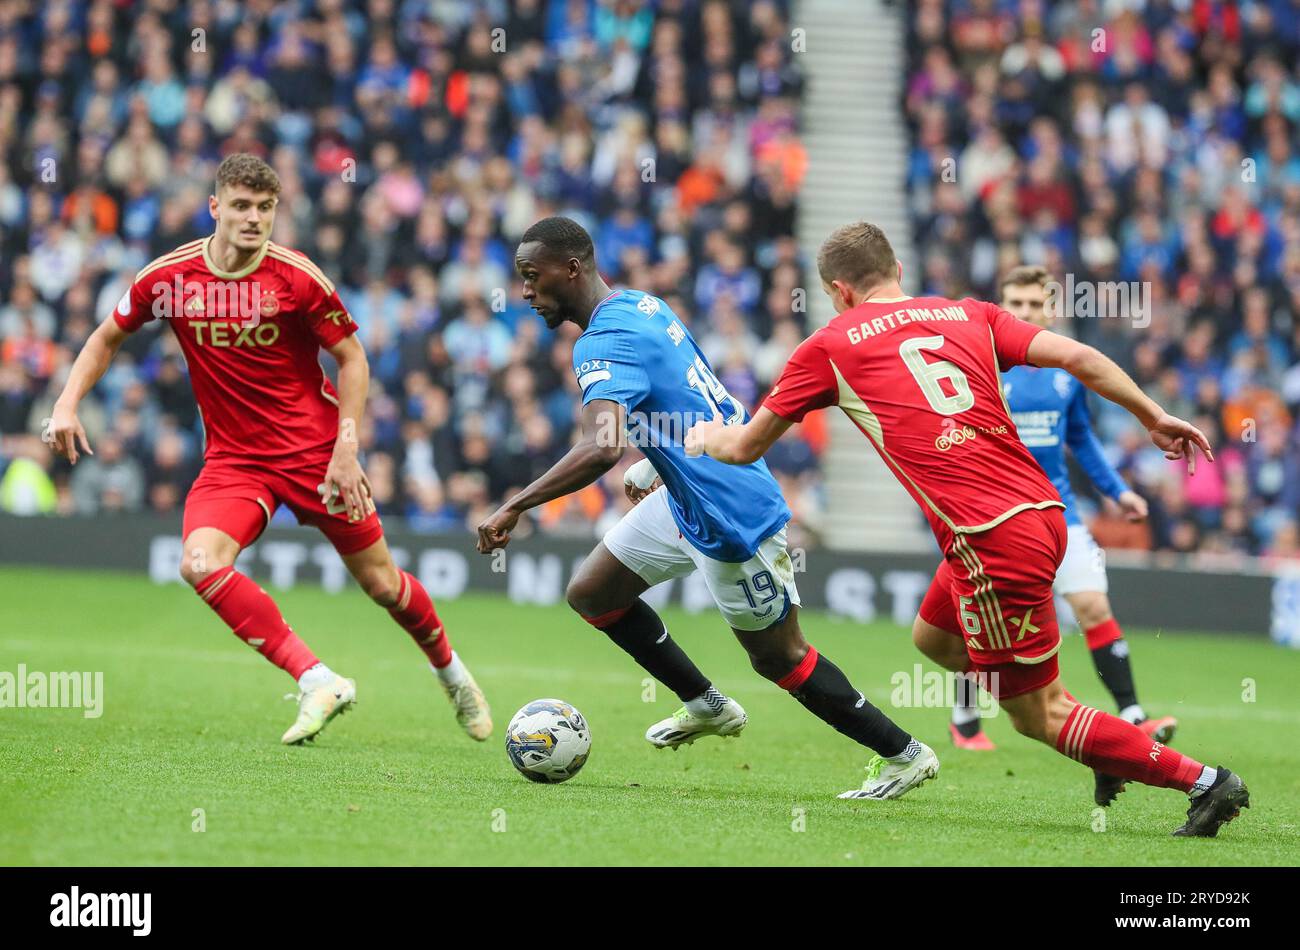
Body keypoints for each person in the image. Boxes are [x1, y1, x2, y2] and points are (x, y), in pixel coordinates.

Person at [686, 221, 1249, 836]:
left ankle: (1205, 782)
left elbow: (743, 447)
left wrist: (703, 436)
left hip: (990, 541)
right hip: (1039, 512)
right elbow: (1080, 356)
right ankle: (1103, 743)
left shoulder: (830, 344)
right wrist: (1155, 415)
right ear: (898, 271)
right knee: (932, 638)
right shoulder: (968, 312)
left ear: (839, 291)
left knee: (1038, 715)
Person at [477, 216, 939, 800]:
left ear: (570, 269)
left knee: (780, 658)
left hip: (728, 514)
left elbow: (600, 449)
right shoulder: (640, 306)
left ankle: (903, 753)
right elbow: (700, 393)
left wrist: (514, 506)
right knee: (593, 593)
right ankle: (706, 703)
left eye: (530, 276)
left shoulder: (604, 340)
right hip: (688, 491)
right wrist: (658, 462)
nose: (523, 291)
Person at [47, 154, 491, 745]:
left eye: (264, 208)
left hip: (316, 454)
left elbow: (353, 359)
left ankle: (453, 675)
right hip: (235, 461)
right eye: (240, 206)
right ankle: (316, 678)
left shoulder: (298, 277)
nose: (253, 219)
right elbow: (105, 339)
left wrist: (346, 448)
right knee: (199, 564)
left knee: (383, 584)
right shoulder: (169, 278)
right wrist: (65, 404)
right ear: (215, 208)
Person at [948, 265, 1176, 752]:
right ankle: (965, 713)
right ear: (1001, 307)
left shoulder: (1065, 372)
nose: (1025, 312)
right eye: (1016, 304)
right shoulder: (979, 365)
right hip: (995, 516)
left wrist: (1118, 492)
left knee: (1093, 605)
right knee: (983, 619)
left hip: (1059, 512)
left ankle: (1134, 715)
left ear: (1050, 309)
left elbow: (1081, 440)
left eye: (1034, 304)